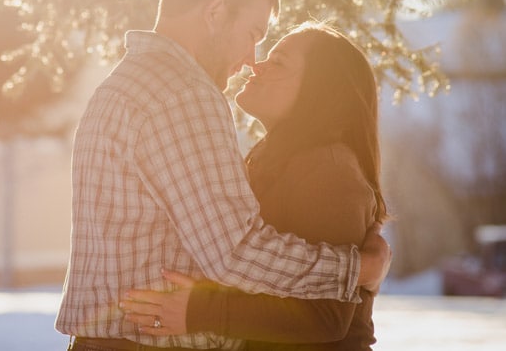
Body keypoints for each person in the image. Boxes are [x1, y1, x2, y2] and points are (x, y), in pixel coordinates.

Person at [55, 0, 390, 351]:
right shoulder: (182, 93)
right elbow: (234, 250)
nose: (252, 60)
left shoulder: (129, 82)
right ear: (215, 12)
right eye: (253, 34)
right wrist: (356, 270)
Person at [120, 22, 388, 350]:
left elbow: (327, 316)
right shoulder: (276, 158)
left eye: (279, 62)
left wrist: (200, 311)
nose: (256, 65)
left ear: (320, 88)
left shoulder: (330, 170)